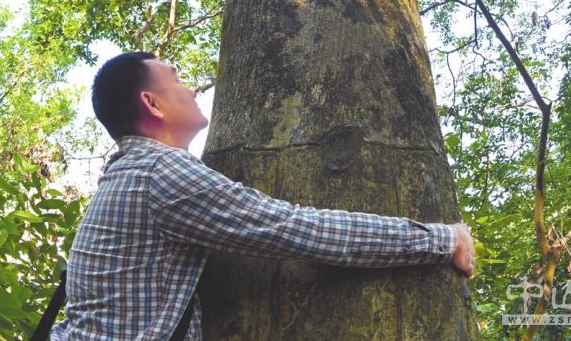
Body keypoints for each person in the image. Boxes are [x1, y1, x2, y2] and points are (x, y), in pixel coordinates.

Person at [50, 51, 475, 340]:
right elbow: (300, 230)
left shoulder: (128, 174)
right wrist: (441, 239)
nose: (191, 90)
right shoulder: (161, 173)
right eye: (176, 80)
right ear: (152, 104)